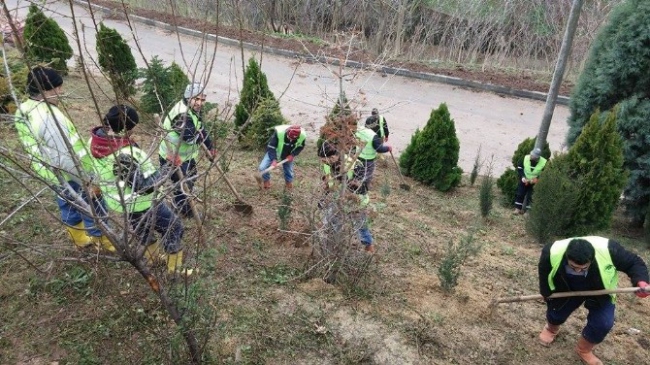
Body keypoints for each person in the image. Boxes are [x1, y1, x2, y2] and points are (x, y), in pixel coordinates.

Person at [14, 66, 115, 252]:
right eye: (57, 88)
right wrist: (86, 180)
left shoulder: (24, 109)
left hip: (53, 173)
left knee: (68, 205)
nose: (61, 92)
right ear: (44, 90)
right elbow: (64, 157)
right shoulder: (49, 119)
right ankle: (104, 243)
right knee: (94, 208)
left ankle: (79, 239)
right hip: (72, 174)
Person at [90, 105, 193, 275]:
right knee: (174, 226)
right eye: (132, 127)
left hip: (123, 201)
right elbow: (143, 186)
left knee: (145, 230)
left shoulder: (96, 141)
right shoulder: (122, 155)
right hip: (140, 202)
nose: (134, 130)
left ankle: (153, 259)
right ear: (125, 128)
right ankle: (174, 271)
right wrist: (169, 166)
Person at [538, 236, 649, 364]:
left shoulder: (610, 250)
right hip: (567, 286)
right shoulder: (552, 251)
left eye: (583, 268)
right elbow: (544, 269)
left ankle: (583, 350)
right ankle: (551, 329)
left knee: (603, 323)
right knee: (556, 312)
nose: (578, 271)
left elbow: (634, 263)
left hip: (600, 288)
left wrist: (641, 282)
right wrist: (545, 292)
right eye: (573, 267)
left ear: (591, 260)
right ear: (567, 257)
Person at [159, 82, 216, 218]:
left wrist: (210, 147)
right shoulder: (182, 115)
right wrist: (203, 139)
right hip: (173, 157)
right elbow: (191, 137)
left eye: (202, 99)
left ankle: (180, 202)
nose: (200, 103)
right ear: (188, 97)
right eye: (196, 99)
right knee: (182, 184)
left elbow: (200, 129)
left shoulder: (191, 110)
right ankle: (185, 210)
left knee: (190, 178)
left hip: (186, 157)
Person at [318, 140, 375, 253]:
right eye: (323, 161)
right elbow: (329, 185)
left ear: (334, 156)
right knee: (331, 222)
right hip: (338, 200)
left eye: (326, 160)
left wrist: (347, 184)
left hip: (357, 202)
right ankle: (332, 248)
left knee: (360, 227)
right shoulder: (327, 164)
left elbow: (363, 188)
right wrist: (323, 198)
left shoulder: (354, 165)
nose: (325, 163)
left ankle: (369, 249)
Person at [258, 124, 306, 190]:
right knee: (262, 167)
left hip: (288, 155)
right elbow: (271, 147)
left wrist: (292, 155)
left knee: (289, 171)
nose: (290, 139)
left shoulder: (302, 136)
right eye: (289, 138)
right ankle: (266, 182)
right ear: (287, 132)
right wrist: (274, 159)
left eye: (292, 139)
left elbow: (301, 146)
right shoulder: (279, 133)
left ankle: (288, 185)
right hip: (275, 152)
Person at [355, 120, 391, 189]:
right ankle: (365, 187)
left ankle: (355, 184)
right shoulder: (373, 136)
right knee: (368, 174)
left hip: (358, 156)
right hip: (368, 160)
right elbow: (379, 149)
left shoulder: (359, 129)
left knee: (358, 172)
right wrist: (387, 148)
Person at [514, 147, 547, 214]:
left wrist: (536, 179)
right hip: (524, 180)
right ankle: (517, 209)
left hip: (535, 182)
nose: (531, 156)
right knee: (520, 193)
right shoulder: (525, 158)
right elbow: (520, 167)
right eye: (531, 155)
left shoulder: (544, 162)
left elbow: (545, 173)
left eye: (533, 156)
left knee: (531, 196)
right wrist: (523, 176)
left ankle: (528, 212)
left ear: (537, 157)